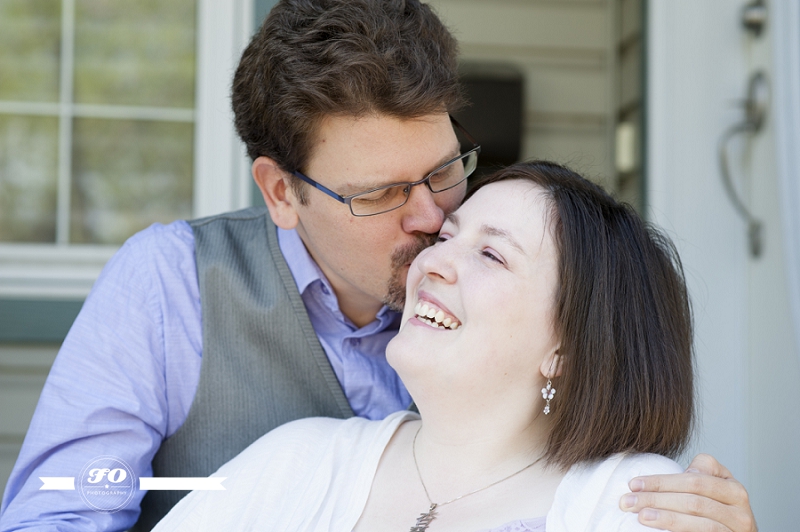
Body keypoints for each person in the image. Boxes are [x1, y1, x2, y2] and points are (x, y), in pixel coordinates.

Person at [0, 2, 756, 531]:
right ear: (281, 193)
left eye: (444, 172)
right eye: (384, 194)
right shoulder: (169, 286)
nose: (432, 222)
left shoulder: (593, 481)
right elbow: (62, 508)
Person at [151, 161, 695, 531]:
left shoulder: (635, 501)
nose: (430, 262)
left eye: (492, 256)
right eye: (445, 238)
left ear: (568, 349)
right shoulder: (299, 459)